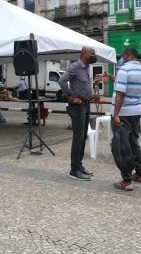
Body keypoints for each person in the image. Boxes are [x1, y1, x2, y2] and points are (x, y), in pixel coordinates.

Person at [101, 47, 141, 191]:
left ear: (127, 55)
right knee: (134, 143)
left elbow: (121, 94)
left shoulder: (124, 70)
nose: (121, 58)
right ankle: (140, 173)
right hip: (135, 112)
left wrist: (116, 114)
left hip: (123, 113)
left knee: (122, 146)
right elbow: (127, 86)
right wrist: (111, 77)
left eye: (122, 55)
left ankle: (126, 180)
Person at [58, 46, 97, 181]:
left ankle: (79, 166)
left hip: (86, 105)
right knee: (78, 138)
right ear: (84, 54)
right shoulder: (75, 67)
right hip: (78, 107)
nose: (94, 55)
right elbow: (62, 80)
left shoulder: (86, 68)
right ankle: (74, 169)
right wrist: (70, 96)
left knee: (83, 137)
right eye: (92, 53)